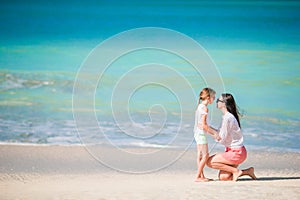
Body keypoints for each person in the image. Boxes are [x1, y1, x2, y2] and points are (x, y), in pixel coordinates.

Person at [206, 93, 257, 181]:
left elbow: (222, 138)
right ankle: (247, 171)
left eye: (219, 100)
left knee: (209, 162)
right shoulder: (227, 117)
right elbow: (220, 133)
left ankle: (235, 171)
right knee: (224, 178)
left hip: (236, 153)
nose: (216, 102)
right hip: (237, 152)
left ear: (224, 104)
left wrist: (208, 130)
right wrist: (207, 128)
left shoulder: (228, 118)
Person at [194, 88, 220, 182]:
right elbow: (204, 125)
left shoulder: (199, 106)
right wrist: (214, 133)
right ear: (208, 98)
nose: (214, 99)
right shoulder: (205, 108)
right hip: (201, 135)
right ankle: (198, 177)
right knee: (205, 155)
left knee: (200, 155)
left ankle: (201, 176)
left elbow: (201, 124)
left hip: (197, 133)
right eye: (213, 97)